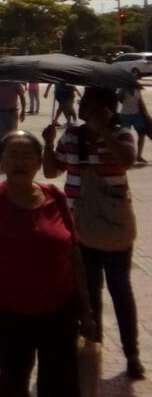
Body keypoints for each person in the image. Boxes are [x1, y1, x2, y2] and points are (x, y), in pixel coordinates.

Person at [0, 131, 96, 396]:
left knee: (60, 385)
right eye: (12, 155)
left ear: (39, 162)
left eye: (27, 155)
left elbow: (74, 256)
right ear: (2, 162)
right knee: (12, 382)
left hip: (60, 311)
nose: (20, 162)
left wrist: (85, 310)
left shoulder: (55, 196)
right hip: (8, 314)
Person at [43, 86, 144, 379]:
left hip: (113, 227)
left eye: (89, 103)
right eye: (83, 102)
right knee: (88, 292)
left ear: (106, 108)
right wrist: (48, 145)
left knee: (120, 289)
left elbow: (126, 160)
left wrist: (105, 132)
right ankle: (93, 345)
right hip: (79, 226)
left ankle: (132, 353)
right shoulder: (71, 136)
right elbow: (51, 172)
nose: (83, 107)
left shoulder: (122, 134)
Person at [117, 86, 149, 165]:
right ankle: (123, 156)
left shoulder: (137, 88)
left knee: (141, 135)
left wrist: (145, 114)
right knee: (123, 136)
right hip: (125, 115)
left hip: (137, 115)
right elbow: (120, 100)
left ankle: (139, 156)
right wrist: (123, 93)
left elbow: (140, 101)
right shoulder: (122, 88)